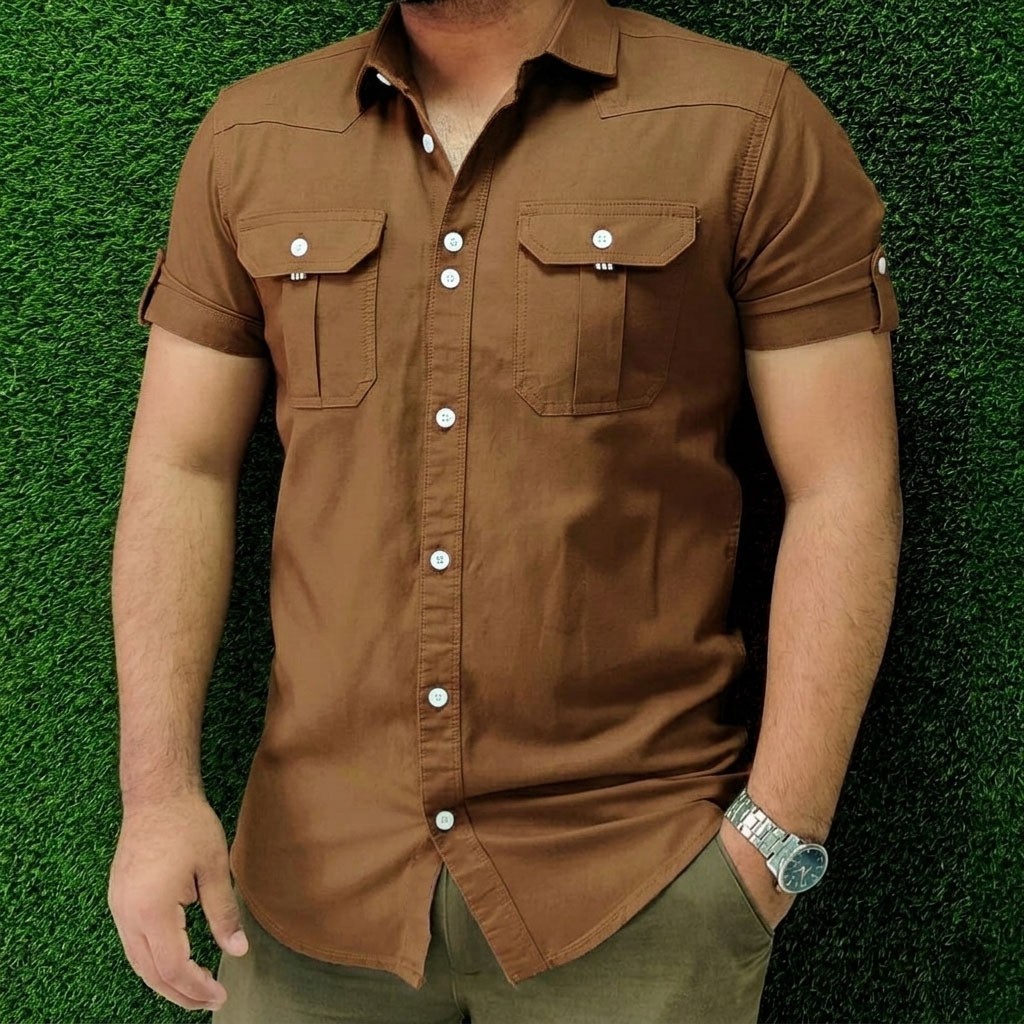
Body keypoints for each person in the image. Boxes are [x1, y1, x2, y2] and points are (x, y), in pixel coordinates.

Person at [107, 0, 903, 1020]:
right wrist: (158, 795)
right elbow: (180, 468)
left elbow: (843, 484)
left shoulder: (746, 124)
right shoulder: (254, 136)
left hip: (636, 888)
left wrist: (773, 840)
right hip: (309, 893)